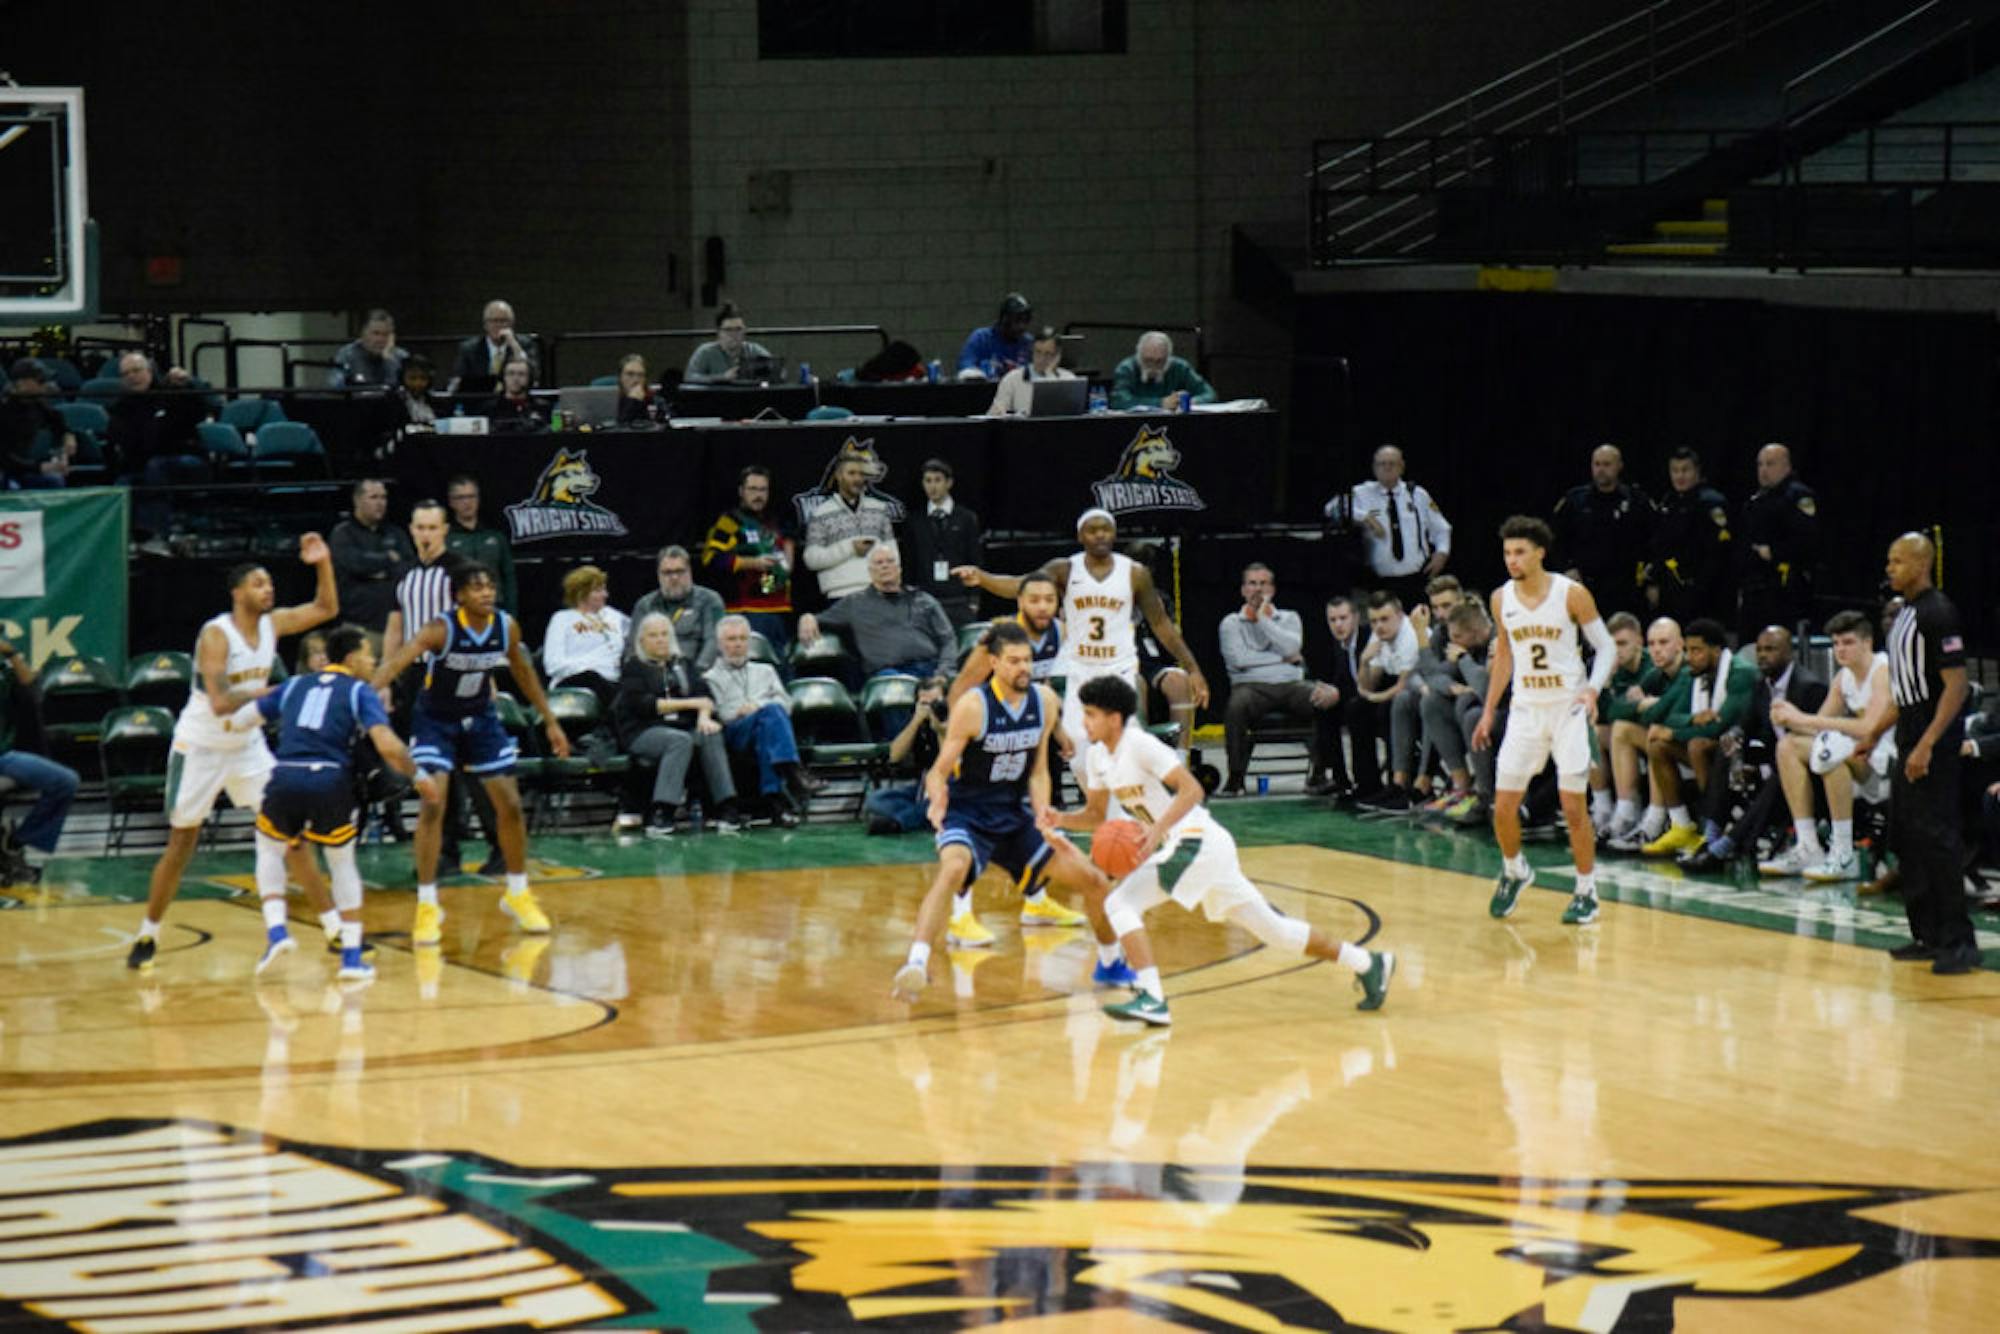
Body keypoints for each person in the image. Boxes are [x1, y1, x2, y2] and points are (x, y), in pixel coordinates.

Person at [1049, 674, 1394, 1025]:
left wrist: (1156, 830)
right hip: (1196, 848)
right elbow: (1094, 815)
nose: (1084, 722)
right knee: (1274, 931)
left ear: (1114, 718)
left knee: (1119, 903)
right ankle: (1368, 962)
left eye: (1090, 714)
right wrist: (1056, 817)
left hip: (1196, 840)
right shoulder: (1096, 758)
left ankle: (1152, 997)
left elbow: (1192, 791)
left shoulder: (1139, 745)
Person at [126, 537, 342, 970]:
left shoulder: (272, 625)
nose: (269, 589)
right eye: (259, 584)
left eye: (270, 583)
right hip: (201, 746)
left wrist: (324, 563)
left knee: (293, 835)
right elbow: (221, 700)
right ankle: (147, 933)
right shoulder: (216, 634)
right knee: (181, 842)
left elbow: (325, 609)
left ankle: (336, 929)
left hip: (246, 747)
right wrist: (277, 691)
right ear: (237, 592)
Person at [891, 621, 1121, 1000]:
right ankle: (916, 963)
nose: (1023, 668)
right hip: (967, 813)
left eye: (1027, 660)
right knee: (952, 869)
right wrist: (937, 800)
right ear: (994, 663)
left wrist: (1044, 814)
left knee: (1094, 880)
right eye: (1014, 661)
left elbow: (1040, 770)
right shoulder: (973, 706)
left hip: (1014, 816)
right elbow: (939, 771)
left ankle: (1113, 961)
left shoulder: (1045, 701)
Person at [373, 561, 570, 945]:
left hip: (480, 717)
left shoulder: (504, 626)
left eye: (490, 585)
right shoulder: (440, 629)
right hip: (435, 720)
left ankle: (517, 892)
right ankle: (428, 904)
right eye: (477, 587)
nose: (486, 592)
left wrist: (550, 720)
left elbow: (524, 671)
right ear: (459, 595)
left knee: (510, 805)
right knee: (434, 803)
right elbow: (396, 661)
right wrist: (362, 696)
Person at [952, 508, 1212, 794]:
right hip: (1079, 670)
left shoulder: (1135, 574)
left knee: (1126, 748)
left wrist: (1193, 668)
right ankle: (1105, 810)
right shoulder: (1065, 569)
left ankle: (1157, 801)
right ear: (1080, 535)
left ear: (1114, 533)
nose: (1100, 534)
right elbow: (1020, 586)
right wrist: (982, 578)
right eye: (1092, 530)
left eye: (1105, 529)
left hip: (1118, 670)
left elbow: (1162, 624)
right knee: (1076, 752)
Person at [237, 624, 436, 985]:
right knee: (341, 864)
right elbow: (388, 745)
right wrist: (419, 775)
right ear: (351, 657)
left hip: (284, 775)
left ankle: (277, 931)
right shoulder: (360, 691)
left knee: (268, 849)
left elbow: (241, 721)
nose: (373, 660)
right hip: (330, 779)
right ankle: (351, 957)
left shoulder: (295, 685)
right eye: (368, 654)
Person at [1474, 515, 1619, 926]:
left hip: (1568, 709)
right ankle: (1515, 869)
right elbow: (1504, 654)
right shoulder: (1502, 599)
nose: (1512, 560)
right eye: (1507, 553)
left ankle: (1586, 890)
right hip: (1525, 709)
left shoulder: (1571, 594)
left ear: (1540, 553)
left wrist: (1592, 688)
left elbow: (1606, 647)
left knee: (1573, 806)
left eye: (1520, 552)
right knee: (1502, 806)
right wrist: (1488, 710)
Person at [1881, 532, 1977, 973]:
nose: (1890, 568)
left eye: (1898, 562)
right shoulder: (1903, 614)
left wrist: (1927, 743)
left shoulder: (1938, 612)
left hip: (1932, 733)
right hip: (1910, 729)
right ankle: (1928, 934)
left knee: (1938, 836)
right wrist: (1874, 732)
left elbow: (1955, 687)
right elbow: (1903, 690)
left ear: (1921, 565)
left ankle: (1959, 941)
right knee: (1908, 834)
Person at [1675, 625, 1825, 873]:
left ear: (1790, 653)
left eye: (1771, 649)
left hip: (1807, 769)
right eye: (1760, 650)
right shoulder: (1761, 684)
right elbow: (1744, 726)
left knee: (1777, 779)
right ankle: (1711, 835)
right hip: (1774, 759)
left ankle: (1725, 846)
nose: (1763, 655)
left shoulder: (1809, 687)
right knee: (1726, 747)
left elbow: (1819, 739)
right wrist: (1736, 749)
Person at [1757, 615, 1880, 880]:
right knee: (1788, 746)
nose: (1840, 649)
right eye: (1836, 643)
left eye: (1848, 642)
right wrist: (1788, 717)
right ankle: (1808, 845)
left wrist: (1803, 718)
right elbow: (1817, 727)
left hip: (1886, 766)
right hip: (1858, 759)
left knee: (1831, 751)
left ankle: (1844, 853)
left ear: (1868, 643)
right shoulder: (1843, 678)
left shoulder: (1883, 671)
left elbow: (1869, 728)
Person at [613, 613, 744, 836]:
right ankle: (662, 811)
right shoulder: (634, 667)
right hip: (643, 731)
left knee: (710, 733)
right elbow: (645, 705)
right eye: (653, 635)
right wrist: (692, 703)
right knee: (679, 741)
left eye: (664, 634)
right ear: (642, 640)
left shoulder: (684, 664)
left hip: (682, 726)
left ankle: (725, 806)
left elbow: (705, 697)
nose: (661, 639)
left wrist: (704, 717)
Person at [1635, 618, 1757, 858]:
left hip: (1743, 750)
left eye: (1696, 650)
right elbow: (1658, 715)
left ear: (1716, 650)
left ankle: (1714, 823)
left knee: (1697, 745)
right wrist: (1691, 720)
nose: (1689, 657)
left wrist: (1676, 732)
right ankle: (1681, 825)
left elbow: (1719, 728)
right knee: (1658, 745)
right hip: (1714, 748)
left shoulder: (1740, 674)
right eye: (1688, 650)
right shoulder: (1694, 673)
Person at [705, 614, 815, 825]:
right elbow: (724, 714)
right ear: (720, 644)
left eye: (742, 639)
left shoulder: (766, 670)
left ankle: (774, 801)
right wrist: (760, 707)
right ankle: (793, 771)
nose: (737, 644)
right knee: (771, 713)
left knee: (768, 725)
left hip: (762, 728)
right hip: (734, 732)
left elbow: (787, 704)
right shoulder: (711, 677)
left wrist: (758, 706)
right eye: (731, 639)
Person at [798, 545, 955, 689]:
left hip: (930, 669)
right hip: (889, 674)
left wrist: (943, 672)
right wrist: (807, 617)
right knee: (892, 686)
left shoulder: (924, 599)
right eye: (879, 563)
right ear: (870, 572)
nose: (885, 566)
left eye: (889, 561)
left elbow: (948, 639)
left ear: (899, 568)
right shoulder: (854, 603)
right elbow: (819, 618)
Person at [1217, 562, 1313, 796]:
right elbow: (1239, 659)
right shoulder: (1231, 623)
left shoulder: (1290, 617)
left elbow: (1293, 645)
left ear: (1272, 589)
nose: (1257, 589)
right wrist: (1283, 659)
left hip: (1292, 685)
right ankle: (1236, 778)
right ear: (1243, 590)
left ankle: (1320, 775)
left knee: (1320, 699)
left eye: (1263, 583)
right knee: (1236, 707)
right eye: (1252, 584)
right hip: (1251, 687)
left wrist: (1262, 619)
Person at [1603, 617, 1690, 851]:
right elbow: (1614, 710)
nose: (1657, 649)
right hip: (1674, 744)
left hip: (1697, 745)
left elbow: (1671, 715)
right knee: (1622, 729)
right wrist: (1642, 706)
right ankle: (1625, 813)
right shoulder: (1656, 675)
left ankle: (1655, 820)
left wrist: (1652, 707)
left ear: (1680, 644)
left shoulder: (1688, 671)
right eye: (1652, 644)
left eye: (1664, 642)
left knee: (1656, 735)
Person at [0, 633, 79, 886]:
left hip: (5, 756)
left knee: (65, 781)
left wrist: (11, 654)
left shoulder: (3, 670)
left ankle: (14, 843)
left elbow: (32, 689)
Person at [699, 466, 796, 659]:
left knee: (780, 670)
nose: (758, 495)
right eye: (752, 489)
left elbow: (786, 559)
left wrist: (787, 561)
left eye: (763, 490)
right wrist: (752, 563)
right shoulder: (730, 521)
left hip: (779, 610)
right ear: (741, 491)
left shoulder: (775, 522)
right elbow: (711, 558)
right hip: (747, 611)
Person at [1342, 445, 1451, 613]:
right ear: (1374, 467)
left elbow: (1441, 528)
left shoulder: (1417, 494)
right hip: (1378, 582)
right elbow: (1333, 509)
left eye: (1392, 463)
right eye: (1382, 463)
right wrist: (1365, 517)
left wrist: (1442, 552)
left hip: (1415, 580)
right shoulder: (1361, 493)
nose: (1387, 467)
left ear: (1402, 467)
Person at [1417, 595, 1496, 822]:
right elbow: (1432, 674)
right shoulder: (1465, 643)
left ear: (1475, 631)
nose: (1453, 641)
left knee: (1470, 710)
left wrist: (1463, 659)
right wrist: (1452, 687)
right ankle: (1461, 786)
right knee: (1432, 701)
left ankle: (1485, 795)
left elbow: (1485, 687)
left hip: (1510, 708)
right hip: (1481, 711)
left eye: (1458, 636)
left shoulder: (1496, 640)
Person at [1552, 443, 1650, 618]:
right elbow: (1557, 539)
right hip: (1584, 584)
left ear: (1619, 466)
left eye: (1607, 464)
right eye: (1597, 464)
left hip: (1624, 588)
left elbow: (1651, 541)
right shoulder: (1576, 501)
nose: (1601, 470)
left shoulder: (1636, 501)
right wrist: (1567, 568)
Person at [1736, 443, 1819, 640]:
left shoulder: (1798, 496)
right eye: (1760, 464)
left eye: (1770, 464)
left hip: (1785, 590)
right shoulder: (1756, 500)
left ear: (1786, 466)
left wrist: (1774, 551)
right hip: (1754, 590)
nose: (1763, 470)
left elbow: (1809, 540)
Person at [1351, 592, 1423, 810]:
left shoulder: (1410, 636)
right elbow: (1367, 685)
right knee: (1356, 708)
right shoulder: (1378, 635)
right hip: (1392, 687)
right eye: (1373, 621)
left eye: (1384, 619)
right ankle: (1368, 783)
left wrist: (1374, 697)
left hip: (1417, 690)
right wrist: (1363, 661)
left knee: (1387, 709)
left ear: (1400, 616)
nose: (1379, 626)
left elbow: (1403, 684)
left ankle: (1399, 782)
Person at [1646, 446, 1731, 625]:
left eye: (1685, 470)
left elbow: (1718, 554)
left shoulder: (1711, 502)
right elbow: (1660, 546)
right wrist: (1654, 581)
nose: (1680, 476)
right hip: (1670, 592)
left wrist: (1700, 588)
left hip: (1703, 593)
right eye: (1675, 471)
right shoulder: (1669, 502)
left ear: (1697, 471)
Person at [801, 454, 899, 601]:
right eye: (852, 473)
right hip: (840, 595)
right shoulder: (821, 513)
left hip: (878, 593)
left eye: (861, 474)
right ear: (838, 476)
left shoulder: (879, 509)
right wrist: (850, 548)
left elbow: (893, 554)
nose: (857, 479)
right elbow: (812, 559)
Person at [902, 458, 983, 627]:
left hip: (958, 598)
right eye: (928, 481)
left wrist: (974, 598)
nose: (933, 486)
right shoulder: (915, 521)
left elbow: (975, 558)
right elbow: (909, 561)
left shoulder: (966, 518)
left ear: (949, 483)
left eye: (938, 480)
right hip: (924, 598)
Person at [1586, 611, 1647, 834]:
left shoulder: (1651, 666)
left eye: (1622, 643)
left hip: (1654, 735)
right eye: (1613, 645)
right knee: (1590, 732)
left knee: (1621, 729)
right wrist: (1606, 683)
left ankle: (1628, 812)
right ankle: (1602, 808)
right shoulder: (1614, 670)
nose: (1617, 651)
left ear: (1639, 641)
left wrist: (1629, 709)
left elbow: (1648, 714)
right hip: (1629, 735)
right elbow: (1605, 713)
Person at [329, 479, 415, 635]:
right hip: (357, 625)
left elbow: (409, 569)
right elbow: (356, 564)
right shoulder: (342, 534)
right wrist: (389, 559)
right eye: (374, 497)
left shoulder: (396, 533)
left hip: (396, 625)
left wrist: (378, 571)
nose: (380, 503)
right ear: (357, 500)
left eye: (383, 497)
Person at [865, 675, 949, 835]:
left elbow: (948, 765)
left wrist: (940, 729)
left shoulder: (956, 719)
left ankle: (898, 823)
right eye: (924, 703)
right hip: (923, 787)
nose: (929, 708)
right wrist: (915, 721)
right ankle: (922, 817)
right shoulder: (918, 720)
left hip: (949, 786)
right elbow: (894, 756)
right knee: (876, 800)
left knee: (939, 802)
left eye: (935, 703)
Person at [1307, 594, 1368, 801]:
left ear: (1356, 618)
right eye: (1333, 620)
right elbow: (1341, 679)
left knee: (1354, 708)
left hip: (1374, 698)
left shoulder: (1367, 638)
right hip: (1355, 697)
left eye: (1343, 618)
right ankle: (1339, 778)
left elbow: (1368, 682)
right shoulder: (1338, 645)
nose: (1338, 625)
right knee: (1323, 706)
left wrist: (1339, 692)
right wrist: (1326, 690)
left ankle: (1365, 780)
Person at [542, 564, 629, 709]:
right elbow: (553, 665)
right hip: (575, 681)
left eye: (604, 589)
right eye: (598, 590)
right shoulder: (562, 619)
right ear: (581, 593)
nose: (605, 595)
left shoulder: (615, 616)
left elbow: (638, 640)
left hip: (613, 680)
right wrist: (592, 666)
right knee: (592, 678)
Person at [629, 544, 726, 673]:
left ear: (690, 571)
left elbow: (713, 642)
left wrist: (695, 675)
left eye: (680, 571)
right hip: (653, 676)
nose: (674, 577)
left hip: (698, 674)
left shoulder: (710, 600)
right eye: (667, 573)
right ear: (658, 574)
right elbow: (633, 647)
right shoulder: (645, 605)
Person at [444, 474, 518, 615]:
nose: (467, 502)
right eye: (461, 497)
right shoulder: (445, 539)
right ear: (451, 502)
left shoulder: (495, 537)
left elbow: (509, 579)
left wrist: (511, 614)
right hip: (459, 609)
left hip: (495, 608)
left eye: (472, 496)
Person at [0, 359, 77, 489]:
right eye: (40, 381)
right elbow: (3, 457)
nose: (46, 385)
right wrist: (40, 467)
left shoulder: (36, 404)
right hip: (5, 468)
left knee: (54, 481)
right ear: (22, 383)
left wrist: (68, 437)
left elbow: (58, 422)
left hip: (25, 468)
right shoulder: (3, 409)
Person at [448, 299, 538, 395]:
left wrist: (513, 344)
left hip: (513, 400)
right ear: (485, 325)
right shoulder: (469, 349)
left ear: (512, 324)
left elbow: (532, 375)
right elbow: (458, 380)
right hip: (480, 402)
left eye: (503, 321)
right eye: (494, 321)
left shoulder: (524, 344)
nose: (498, 325)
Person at [1110, 331, 1216, 412]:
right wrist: (1160, 403)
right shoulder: (1127, 369)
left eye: (1159, 361)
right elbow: (1118, 401)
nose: (1153, 366)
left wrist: (1189, 401)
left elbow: (1209, 394)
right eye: (1148, 360)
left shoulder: (1180, 367)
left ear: (1168, 358)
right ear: (1139, 356)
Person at [985, 326, 1076, 415]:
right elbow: (993, 414)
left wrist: (1049, 374)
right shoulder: (1012, 379)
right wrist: (997, 412)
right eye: (1038, 352)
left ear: (1057, 355)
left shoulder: (1069, 379)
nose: (1041, 359)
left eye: (1048, 354)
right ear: (1031, 350)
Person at [684, 303, 775, 385]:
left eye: (738, 329)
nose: (734, 335)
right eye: (728, 330)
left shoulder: (754, 350)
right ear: (719, 332)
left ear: (744, 331)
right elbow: (690, 377)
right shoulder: (705, 352)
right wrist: (722, 378)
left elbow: (776, 372)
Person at [955, 293, 1034, 379]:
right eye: (1017, 321)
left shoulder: (1028, 343)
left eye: (1026, 321)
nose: (1022, 326)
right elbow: (965, 366)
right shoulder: (981, 338)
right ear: (1004, 319)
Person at [329, 309, 408, 389]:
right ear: (363, 334)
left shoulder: (401, 356)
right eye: (376, 333)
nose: (380, 340)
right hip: (357, 400)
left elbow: (402, 391)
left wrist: (389, 361)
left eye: (386, 334)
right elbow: (335, 386)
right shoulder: (347, 353)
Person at [484, 358, 544, 432]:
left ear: (530, 378)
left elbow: (556, 431)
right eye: (511, 373)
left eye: (521, 374)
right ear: (503, 377)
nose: (515, 378)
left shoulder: (544, 407)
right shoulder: (487, 409)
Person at [394, 354, 439, 435]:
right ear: (402, 378)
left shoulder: (435, 402)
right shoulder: (394, 401)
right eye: (412, 378)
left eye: (423, 378)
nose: (418, 383)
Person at [613, 353, 663, 425]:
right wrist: (632, 401)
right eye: (630, 374)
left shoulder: (655, 401)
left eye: (640, 375)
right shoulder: (610, 401)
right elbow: (619, 427)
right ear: (620, 377)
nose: (636, 380)